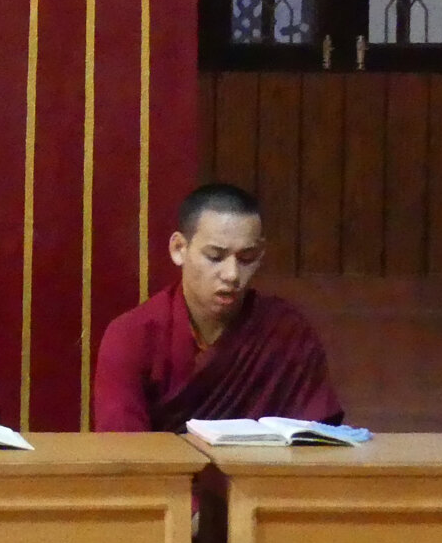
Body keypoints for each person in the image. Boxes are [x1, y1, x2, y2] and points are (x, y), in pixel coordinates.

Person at [93, 184, 343, 432]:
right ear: (179, 249)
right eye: (215, 257)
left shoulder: (287, 333)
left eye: (247, 258)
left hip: (259, 471)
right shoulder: (132, 336)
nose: (232, 275)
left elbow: (314, 441)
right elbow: (123, 449)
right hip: (165, 472)